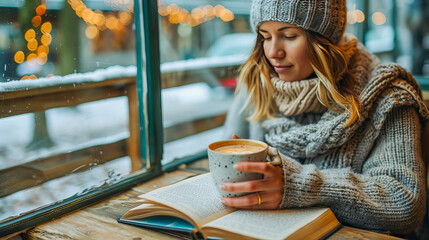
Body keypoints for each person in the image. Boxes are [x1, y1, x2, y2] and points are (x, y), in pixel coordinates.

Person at [221, 0, 428, 237]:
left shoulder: (389, 97)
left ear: (324, 39)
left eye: (289, 35)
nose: (272, 53)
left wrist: (300, 186)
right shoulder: (257, 84)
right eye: (265, 36)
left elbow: (404, 203)